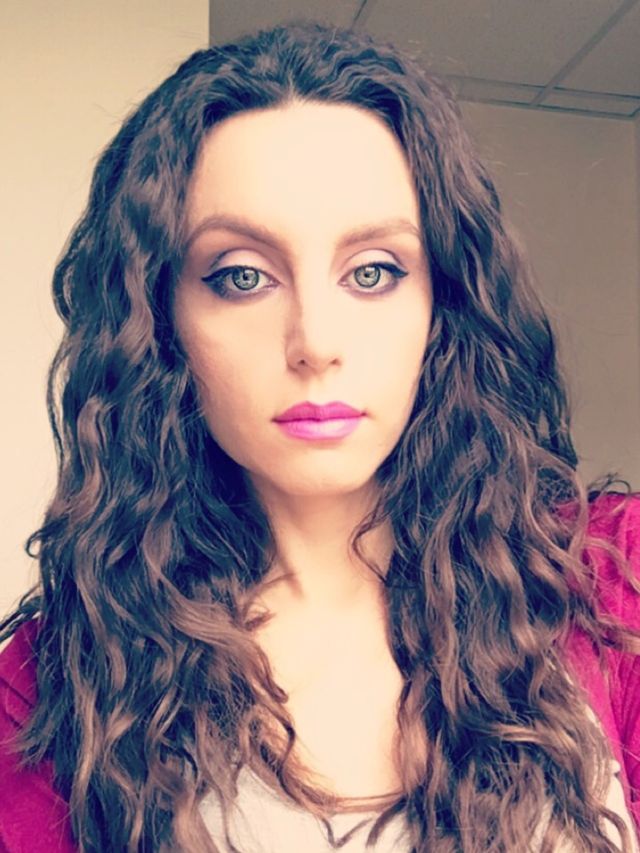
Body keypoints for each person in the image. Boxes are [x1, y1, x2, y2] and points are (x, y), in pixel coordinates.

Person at [0, 19, 639, 853]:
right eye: (242, 276)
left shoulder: (610, 584)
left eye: (373, 271)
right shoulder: (50, 691)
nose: (315, 342)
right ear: (161, 318)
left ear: (440, 305)